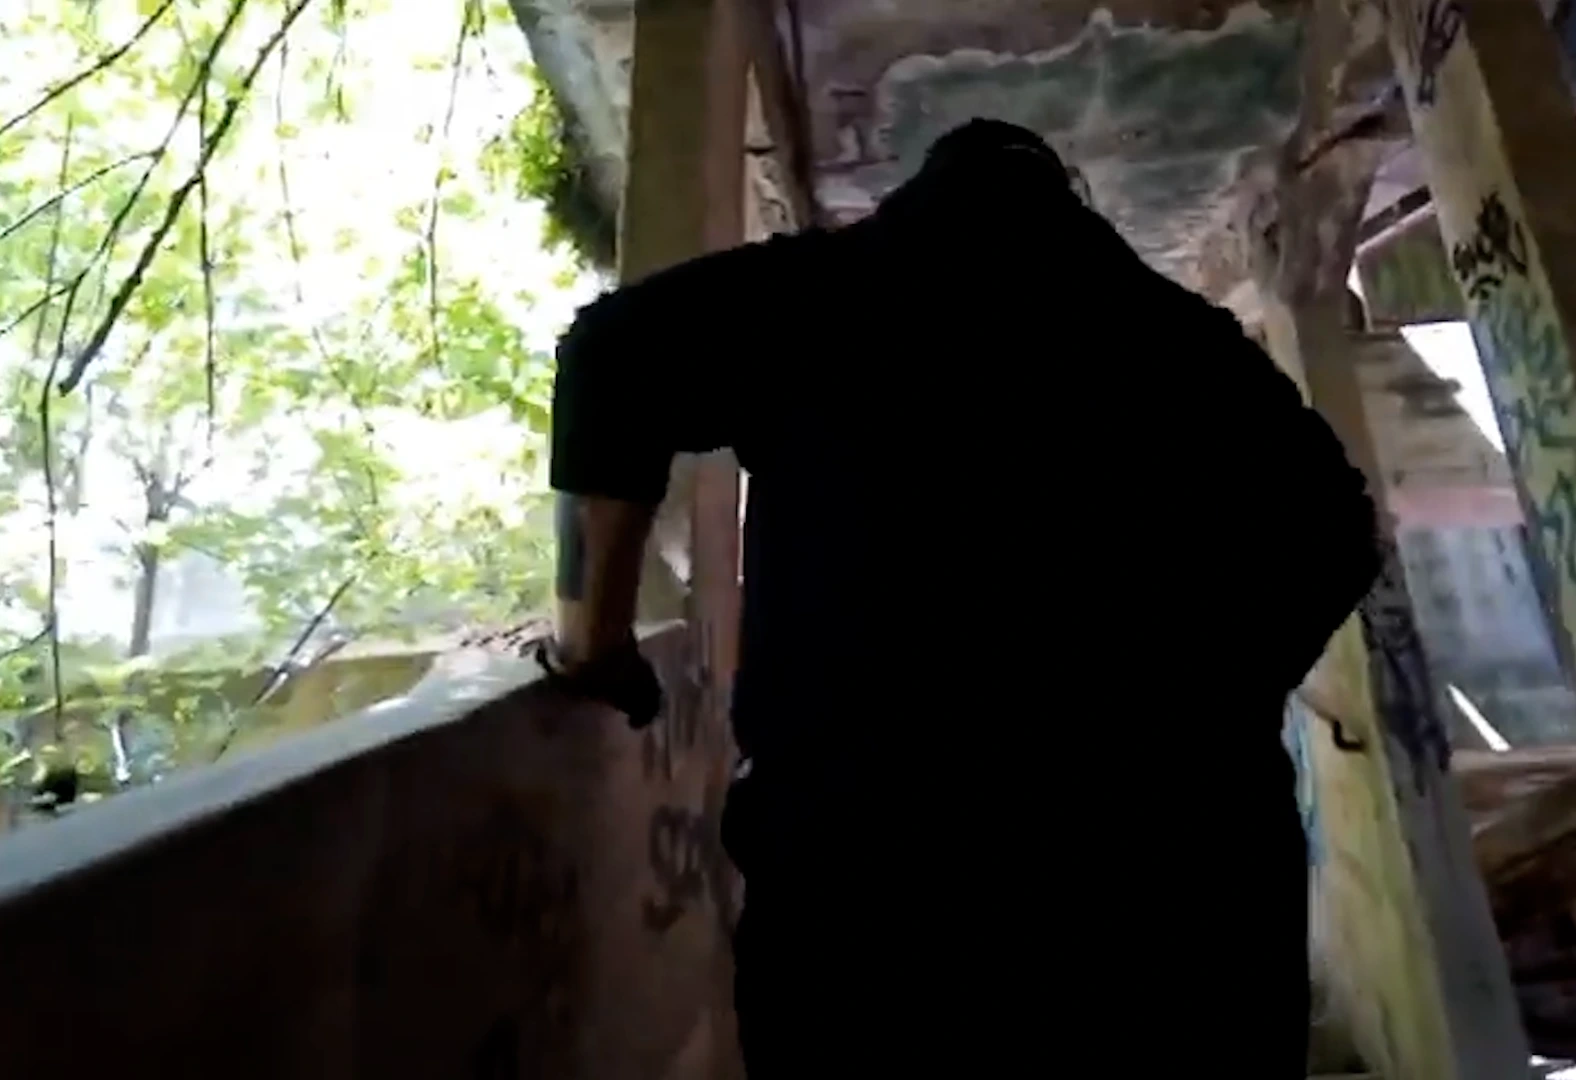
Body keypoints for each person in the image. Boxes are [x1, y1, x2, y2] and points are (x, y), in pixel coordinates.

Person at [540, 118, 1381, 1075]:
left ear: (916, 198)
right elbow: (1338, 528)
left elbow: (607, 355)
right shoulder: (1184, 342)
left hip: (873, 912)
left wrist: (596, 641)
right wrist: (1214, 695)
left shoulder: (817, 296)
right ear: (1071, 208)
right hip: (1176, 912)